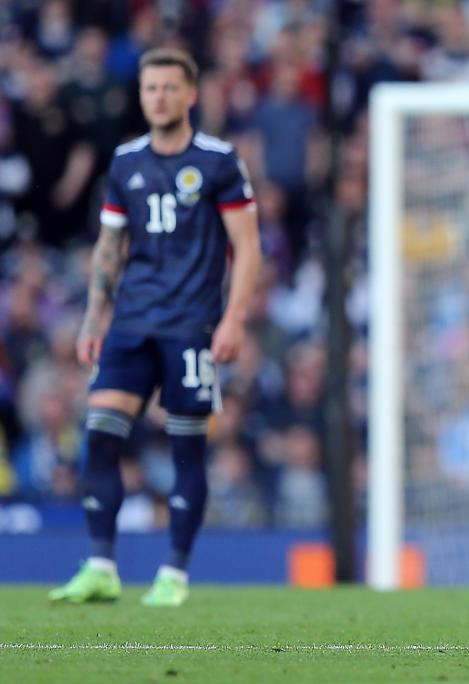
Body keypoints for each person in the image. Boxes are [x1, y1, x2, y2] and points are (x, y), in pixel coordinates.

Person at [49, 48, 261, 607]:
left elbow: (247, 246)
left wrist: (234, 318)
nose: (159, 98)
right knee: (99, 434)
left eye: (169, 88)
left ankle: (174, 573)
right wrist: (95, 316)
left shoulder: (218, 161)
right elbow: (110, 246)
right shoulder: (125, 163)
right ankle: (100, 566)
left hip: (192, 324)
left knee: (186, 449)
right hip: (132, 322)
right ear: (140, 96)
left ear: (191, 95)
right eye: (150, 89)